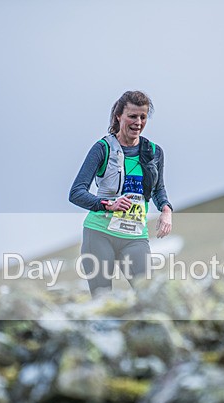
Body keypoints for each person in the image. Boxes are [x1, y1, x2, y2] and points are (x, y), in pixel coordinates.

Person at [69, 90, 173, 296]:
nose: (138, 122)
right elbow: (76, 192)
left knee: (149, 295)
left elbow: (158, 188)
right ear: (119, 116)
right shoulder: (103, 148)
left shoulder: (154, 152)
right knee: (102, 298)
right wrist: (108, 204)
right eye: (132, 116)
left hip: (135, 237)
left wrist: (166, 209)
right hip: (99, 233)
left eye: (143, 117)